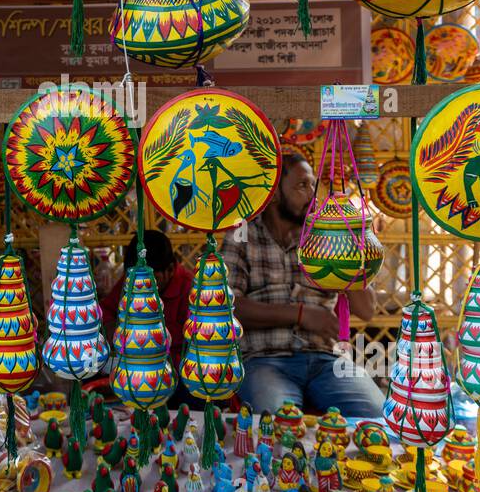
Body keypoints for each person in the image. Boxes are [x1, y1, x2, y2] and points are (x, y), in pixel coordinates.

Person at [220, 151, 385, 417]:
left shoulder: (324, 237)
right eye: (301, 185)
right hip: (264, 360)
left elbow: (366, 310)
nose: (312, 194)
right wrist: (300, 315)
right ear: (273, 194)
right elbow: (227, 307)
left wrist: (349, 248)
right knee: (276, 424)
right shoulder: (242, 236)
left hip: (327, 359)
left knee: (376, 415)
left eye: (312, 184)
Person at [99, 229, 193, 374]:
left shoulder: (190, 290)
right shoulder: (133, 280)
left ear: (170, 269)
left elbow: (190, 349)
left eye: (151, 281)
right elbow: (104, 311)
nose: (141, 286)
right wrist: (112, 328)